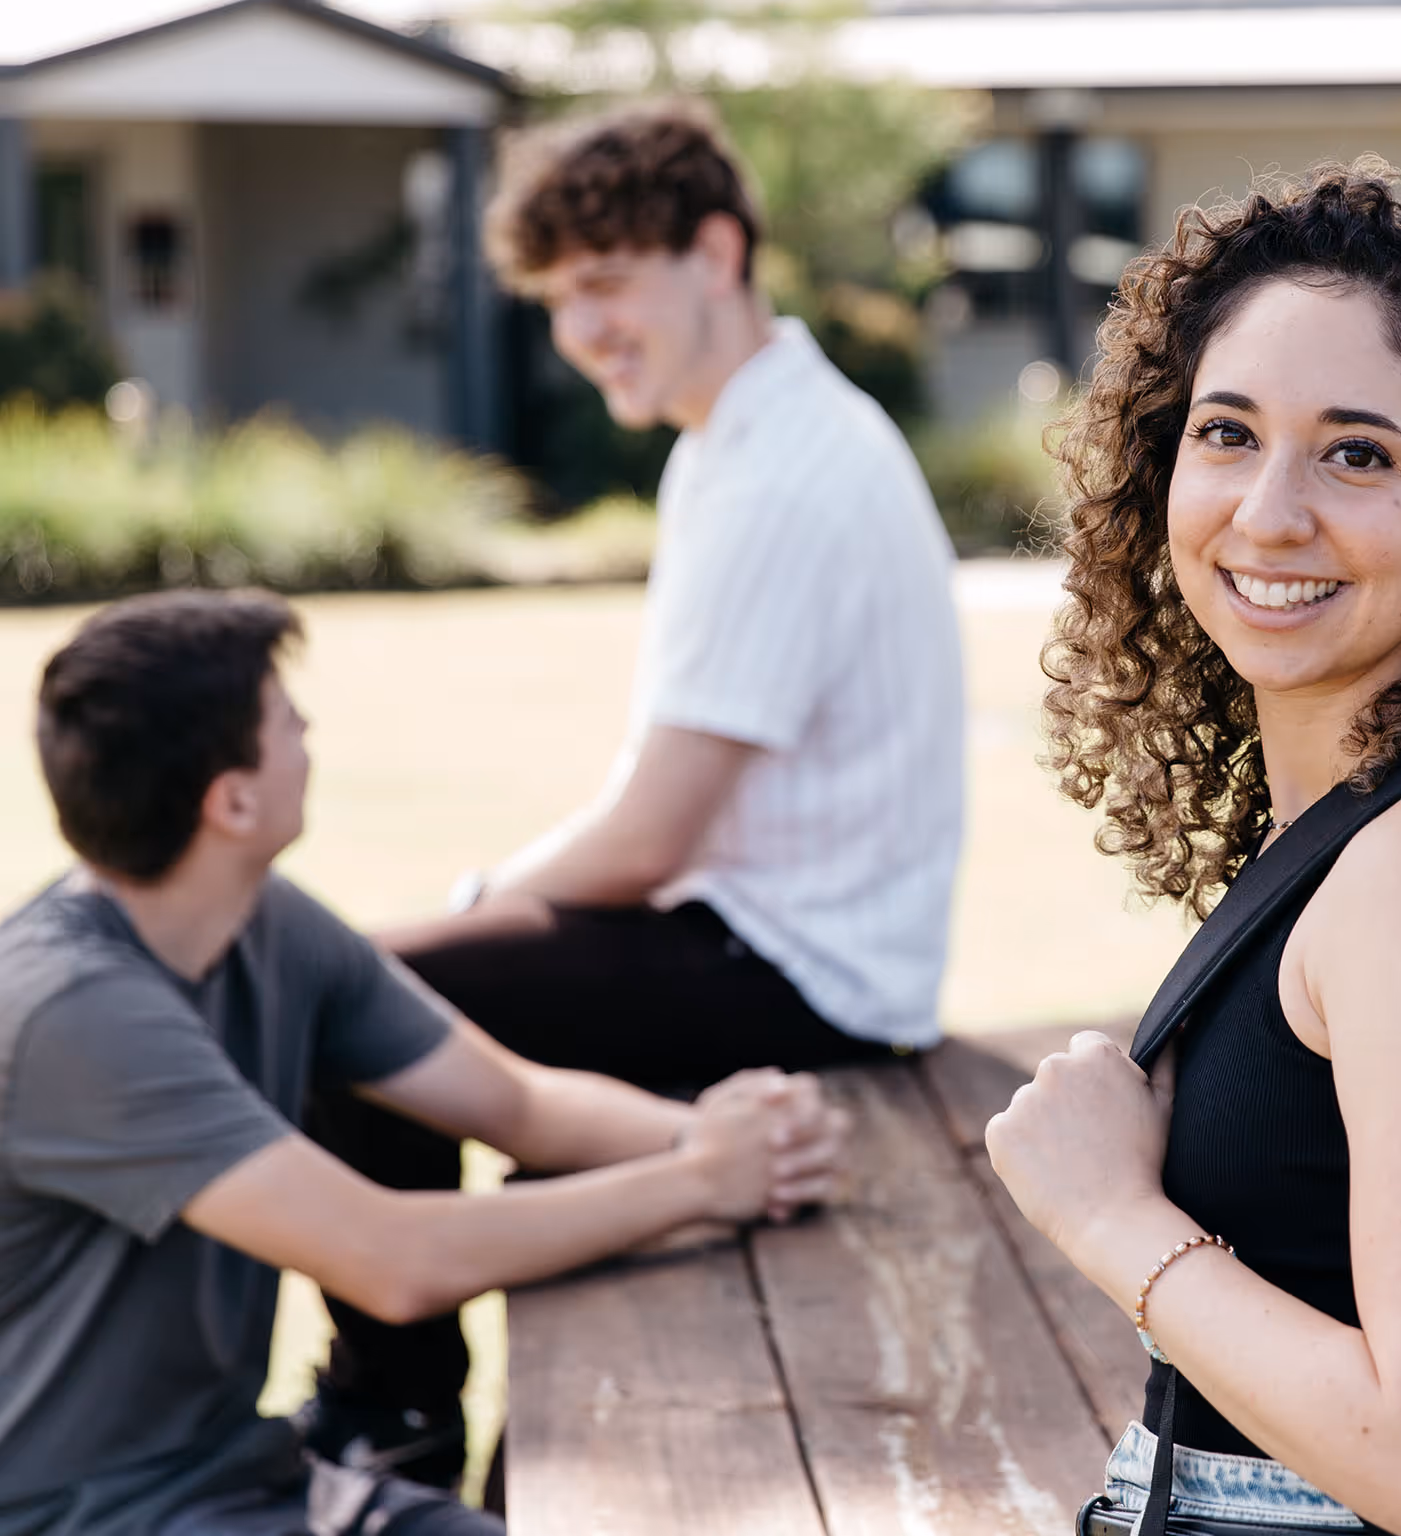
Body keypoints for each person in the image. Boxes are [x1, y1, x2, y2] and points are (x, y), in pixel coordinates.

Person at [984, 160, 1401, 1536]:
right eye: (1226, 434)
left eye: (1358, 452)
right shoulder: (1369, 823)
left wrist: (1107, 1215)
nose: (1269, 512)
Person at [305, 100, 966, 1479]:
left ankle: (391, 1412)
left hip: (799, 971)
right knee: (406, 995)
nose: (581, 329)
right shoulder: (744, 436)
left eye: (606, 284)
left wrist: (481, 903)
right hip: (766, 931)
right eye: (558, 301)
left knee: (355, 1001)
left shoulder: (784, 473)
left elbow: (653, 834)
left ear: (715, 251)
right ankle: (406, 1403)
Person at [0, 590, 849, 1536]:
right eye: (286, 721)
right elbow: (392, 1260)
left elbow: (515, 1103)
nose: (310, 733)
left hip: (245, 1481)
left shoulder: (265, 923)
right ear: (231, 800)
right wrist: (699, 1181)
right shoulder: (71, 1016)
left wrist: (738, 1138)